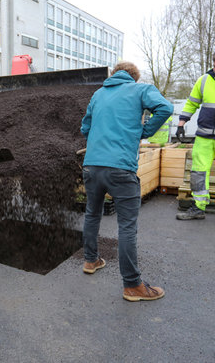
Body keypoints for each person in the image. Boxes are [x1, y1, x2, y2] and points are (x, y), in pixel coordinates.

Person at [80, 61, 173, 302]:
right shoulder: (141, 90)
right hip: (120, 169)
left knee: (92, 214)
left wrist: (101, 132)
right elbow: (165, 107)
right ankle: (132, 285)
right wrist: (144, 130)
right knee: (127, 226)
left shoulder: (98, 94)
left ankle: (91, 260)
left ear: (114, 74)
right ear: (134, 77)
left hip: (91, 166)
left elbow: (84, 127)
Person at [175, 53, 215, 220]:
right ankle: (199, 207)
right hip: (205, 136)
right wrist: (181, 123)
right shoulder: (204, 80)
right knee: (199, 171)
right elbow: (192, 102)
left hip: (205, 135)